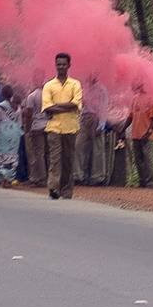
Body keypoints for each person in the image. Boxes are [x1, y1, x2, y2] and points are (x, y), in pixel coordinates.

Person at [42, 53, 83, 200]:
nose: (61, 67)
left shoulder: (75, 84)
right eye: (58, 64)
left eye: (63, 64)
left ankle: (66, 191)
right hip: (53, 128)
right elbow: (47, 108)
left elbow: (76, 104)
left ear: (69, 65)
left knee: (68, 160)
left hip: (71, 127)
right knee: (55, 159)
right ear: (55, 65)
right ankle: (53, 188)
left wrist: (56, 106)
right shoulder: (48, 85)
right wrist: (67, 107)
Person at [76, 76, 110, 186]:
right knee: (78, 145)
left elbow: (103, 108)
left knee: (98, 148)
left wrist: (101, 125)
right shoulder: (83, 87)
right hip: (84, 118)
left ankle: (98, 177)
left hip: (96, 118)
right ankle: (78, 175)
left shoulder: (101, 89)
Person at [127, 82, 153, 188]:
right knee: (138, 159)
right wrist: (122, 129)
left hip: (146, 135)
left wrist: (149, 131)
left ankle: (150, 182)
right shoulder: (134, 98)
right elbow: (130, 116)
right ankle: (142, 181)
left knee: (147, 158)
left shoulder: (151, 98)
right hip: (135, 134)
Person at [0, 85, 24, 185]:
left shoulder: (0, 106)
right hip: (14, 134)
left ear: (2, 94)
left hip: (3, 133)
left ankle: (3, 179)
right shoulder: (18, 108)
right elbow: (20, 124)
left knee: (1, 157)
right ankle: (9, 178)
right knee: (12, 157)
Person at [23, 84, 49, 186]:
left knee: (36, 154)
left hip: (36, 126)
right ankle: (46, 177)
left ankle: (38, 178)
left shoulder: (32, 96)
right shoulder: (48, 95)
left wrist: (28, 129)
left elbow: (29, 114)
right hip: (47, 126)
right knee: (46, 153)